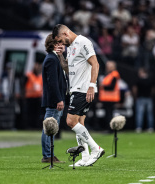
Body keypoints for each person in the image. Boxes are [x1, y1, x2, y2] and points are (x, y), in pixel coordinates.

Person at [52, 24, 105, 167]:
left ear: (65, 33)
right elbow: (68, 69)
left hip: (83, 89)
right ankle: (85, 157)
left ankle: (96, 149)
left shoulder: (83, 42)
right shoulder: (71, 47)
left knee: (70, 121)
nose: (61, 44)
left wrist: (91, 86)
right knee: (79, 123)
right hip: (75, 89)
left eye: (60, 40)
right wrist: (60, 56)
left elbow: (95, 64)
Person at [41, 33, 67, 163]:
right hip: (53, 100)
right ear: (54, 44)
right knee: (49, 128)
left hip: (56, 99)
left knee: (51, 128)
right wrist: (58, 99)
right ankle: (47, 155)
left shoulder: (55, 58)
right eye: (60, 43)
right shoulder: (51, 59)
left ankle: (49, 154)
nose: (63, 45)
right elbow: (53, 82)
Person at [98, 61, 120, 131]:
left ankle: (110, 129)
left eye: (109, 66)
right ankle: (109, 128)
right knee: (107, 114)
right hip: (106, 99)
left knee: (109, 114)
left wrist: (103, 86)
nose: (107, 67)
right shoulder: (108, 75)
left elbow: (112, 87)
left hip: (111, 98)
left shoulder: (114, 74)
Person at [132, 68, 155, 133]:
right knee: (149, 114)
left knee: (140, 114)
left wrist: (135, 96)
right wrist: (151, 95)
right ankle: (150, 128)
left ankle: (139, 128)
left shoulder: (138, 80)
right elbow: (153, 89)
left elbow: (135, 89)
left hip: (140, 98)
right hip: (149, 98)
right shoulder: (150, 80)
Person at [24, 62, 43, 129]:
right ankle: (29, 126)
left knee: (37, 113)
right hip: (30, 98)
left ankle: (36, 126)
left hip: (38, 98)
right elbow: (23, 85)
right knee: (29, 113)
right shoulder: (29, 75)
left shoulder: (40, 77)